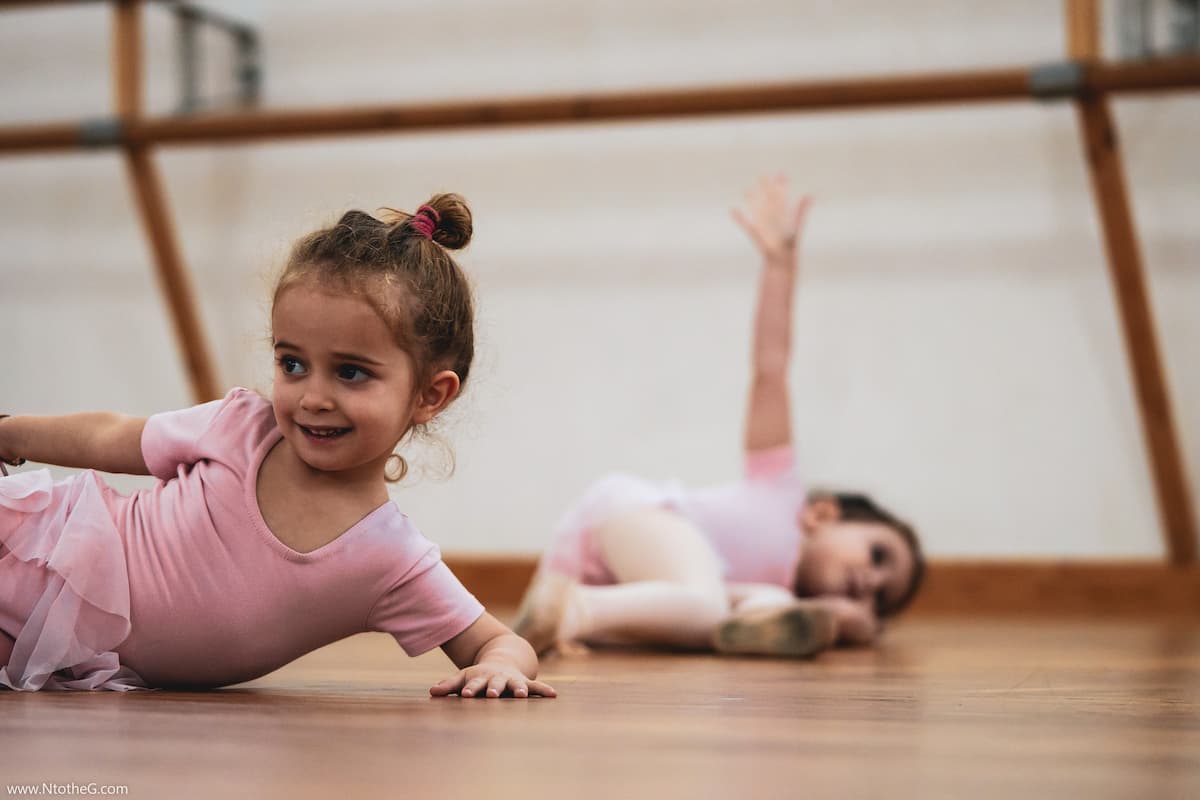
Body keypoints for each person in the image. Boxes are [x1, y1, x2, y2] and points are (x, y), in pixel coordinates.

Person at [0, 194, 555, 699]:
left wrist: (499, 667)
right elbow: (113, 436)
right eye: (292, 364)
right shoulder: (243, 427)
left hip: (60, 647)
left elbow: (499, 643)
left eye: (351, 373)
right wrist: (12, 431)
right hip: (44, 548)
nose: (312, 396)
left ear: (430, 395)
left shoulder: (390, 560)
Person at [514, 175, 924, 658]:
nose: (870, 581)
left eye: (881, 597)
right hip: (633, 517)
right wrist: (779, 268)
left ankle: (582, 618)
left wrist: (846, 621)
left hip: (642, 578)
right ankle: (572, 610)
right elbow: (770, 370)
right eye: (878, 556)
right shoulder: (781, 490)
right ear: (823, 513)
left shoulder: (786, 588)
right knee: (706, 605)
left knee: (760, 603)